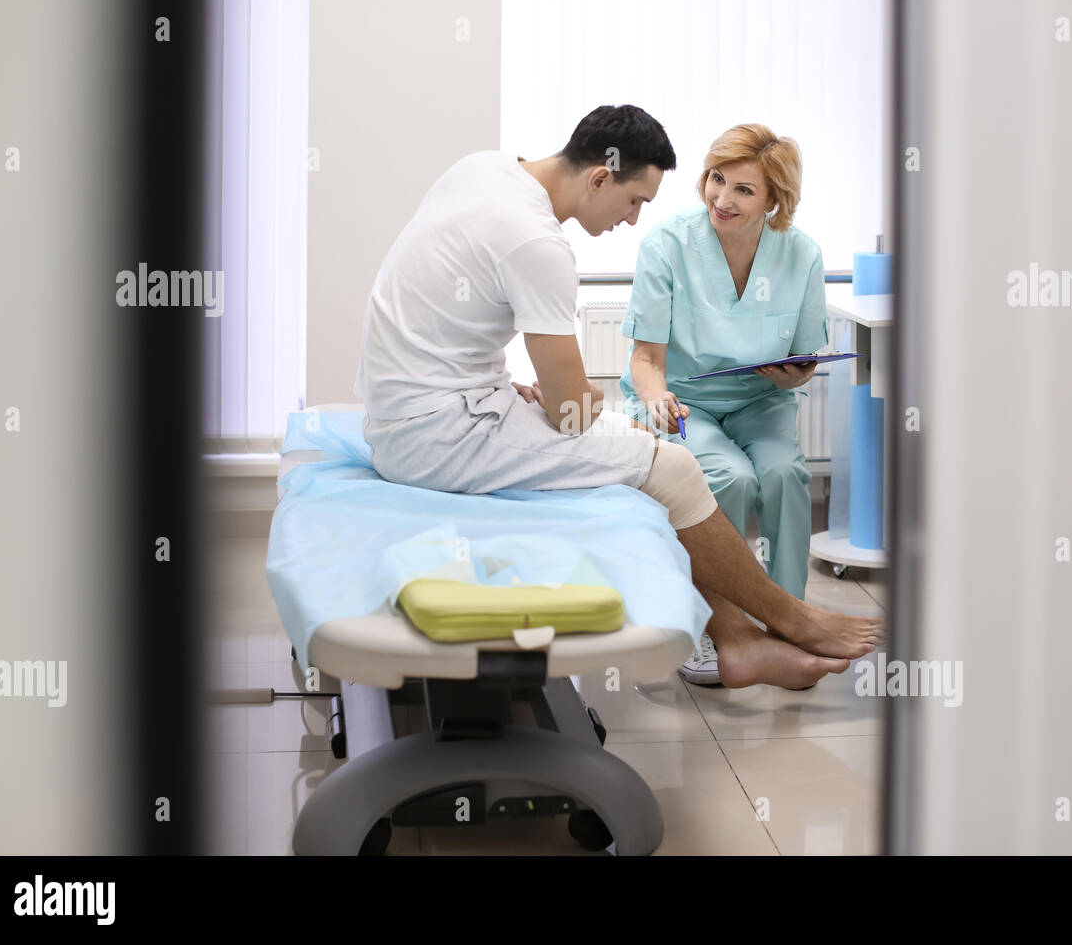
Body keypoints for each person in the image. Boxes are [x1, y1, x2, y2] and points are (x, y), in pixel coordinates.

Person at [355, 105, 882, 690]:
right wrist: (617, 427)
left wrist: (503, 386)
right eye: (634, 202)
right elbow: (571, 413)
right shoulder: (537, 243)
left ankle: (738, 639)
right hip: (437, 435)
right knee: (673, 467)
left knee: (704, 460)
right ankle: (789, 621)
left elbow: (446, 315)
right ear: (600, 177)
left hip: (416, 408)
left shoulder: (484, 170)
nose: (633, 221)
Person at [619, 124, 827, 684]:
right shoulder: (668, 244)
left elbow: (802, 360)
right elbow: (645, 360)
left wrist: (793, 375)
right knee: (730, 478)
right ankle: (714, 630)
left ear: (774, 200)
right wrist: (657, 397)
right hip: (682, 401)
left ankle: (790, 623)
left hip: (762, 399)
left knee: (784, 473)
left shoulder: (801, 254)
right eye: (716, 179)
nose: (722, 199)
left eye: (743, 190)